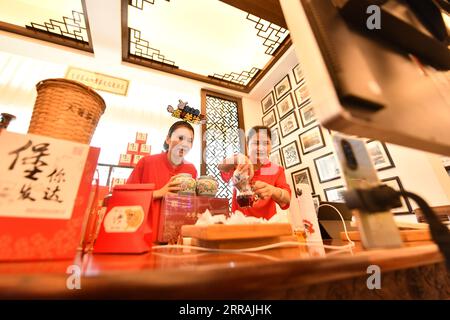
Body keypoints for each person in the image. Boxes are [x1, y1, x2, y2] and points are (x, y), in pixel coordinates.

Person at [127, 120, 197, 240]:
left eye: (189, 140)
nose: (184, 144)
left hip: (177, 238)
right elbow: (126, 198)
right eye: (180, 138)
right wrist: (158, 193)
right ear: (168, 139)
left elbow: (192, 205)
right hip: (144, 237)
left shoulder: (191, 170)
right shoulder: (147, 162)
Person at [218, 126, 291, 220]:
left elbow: (287, 197)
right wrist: (238, 158)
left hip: (266, 227)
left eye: (266, 143)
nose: (261, 148)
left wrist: (272, 190)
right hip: (239, 225)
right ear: (247, 145)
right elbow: (220, 166)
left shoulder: (277, 170)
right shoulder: (239, 162)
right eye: (256, 143)